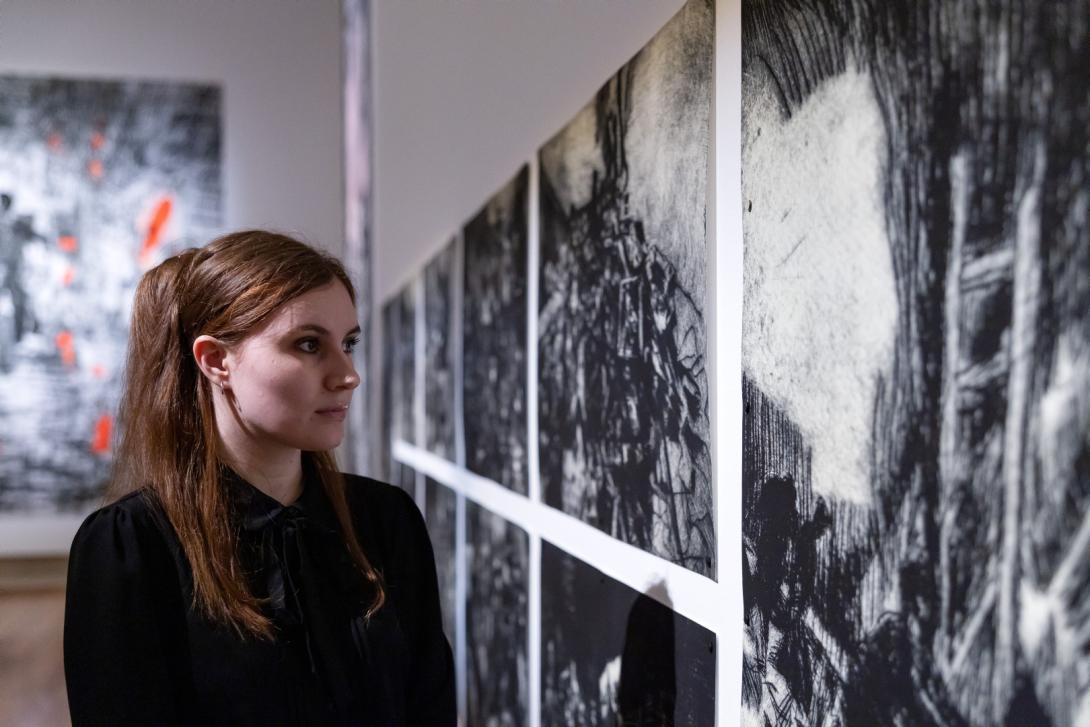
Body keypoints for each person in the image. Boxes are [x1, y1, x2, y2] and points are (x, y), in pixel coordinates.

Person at [63, 230, 455, 726]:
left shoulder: (384, 519)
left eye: (349, 343)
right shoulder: (132, 547)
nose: (347, 373)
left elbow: (429, 704)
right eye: (309, 344)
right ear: (215, 360)